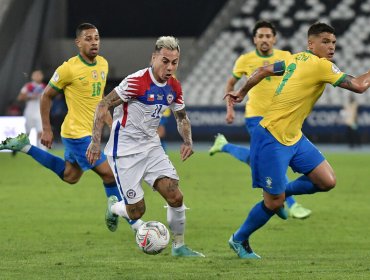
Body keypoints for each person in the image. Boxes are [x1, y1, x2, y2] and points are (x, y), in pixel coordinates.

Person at [224, 22, 370, 259]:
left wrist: (241, 92)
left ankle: (282, 193)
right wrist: (241, 92)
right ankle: (239, 239)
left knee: (327, 180)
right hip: (271, 136)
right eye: (325, 42)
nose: (331, 47)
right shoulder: (321, 66)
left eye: (333, 42)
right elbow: (360, 86)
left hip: (295, 136)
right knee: (272, 204)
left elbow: (263, 70)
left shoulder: (295, 59)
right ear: (310, 43)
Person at [0, 23, 143, 231]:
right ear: (78, 43)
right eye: (88, 38)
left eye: (96, 38)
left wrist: (111, 124)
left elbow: (99, 99)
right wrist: (47, 129)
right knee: (110, 174)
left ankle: (25, 147)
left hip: (89, 132)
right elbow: (46, 95)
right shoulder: (68, 68)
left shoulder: (102, 64)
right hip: (77, 134)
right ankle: (135, 225)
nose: (94, 42)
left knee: (70, 176)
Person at [86, 36, 204, 258]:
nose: (170, 67)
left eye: (174, 62)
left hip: (151, 148)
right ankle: (114, 206)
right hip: (124, 153)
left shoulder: (174, 86)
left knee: (176, 197)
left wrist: (187, 141)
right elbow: (103, 105)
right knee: (137, 211)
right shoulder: (136, 82)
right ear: (154, 57)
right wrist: (95, 141)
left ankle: (179, 246)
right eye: (165, 61)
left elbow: (182, 117)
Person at [209, 20, 311, 219]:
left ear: (274, 39)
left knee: (259, 160)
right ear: (255, 39)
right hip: (256, 117)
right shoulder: (245, 60)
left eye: (268, 36)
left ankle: (224, 146)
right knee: (275, 159)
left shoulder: (286, 57)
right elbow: (231, 83)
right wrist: (230, 109)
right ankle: (291, 204)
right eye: (260, 36)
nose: (264, 39)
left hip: (281, 117)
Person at [16, 70, 47, 150]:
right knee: (28, 131)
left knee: (40, 130)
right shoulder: (28, 86)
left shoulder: (44, 87)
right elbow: (20, 97)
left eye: (39, 75)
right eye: (36, 75)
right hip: (29, 111)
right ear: (32, 77)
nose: (37, 77)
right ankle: (20, 145)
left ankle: (41, 149)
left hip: (39, 111)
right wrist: (30, 96)